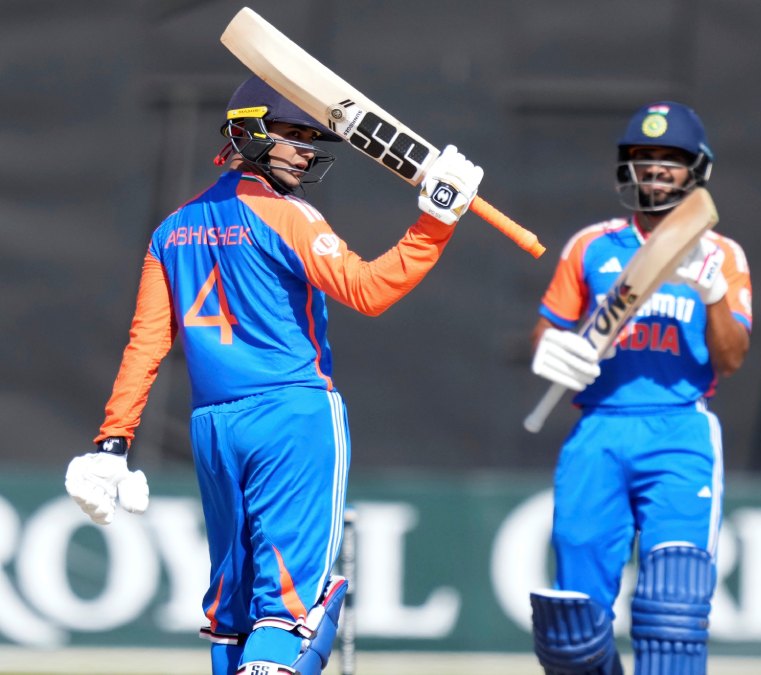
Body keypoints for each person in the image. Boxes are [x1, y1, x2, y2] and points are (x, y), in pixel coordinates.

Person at [63, 75, 483, 675]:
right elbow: (368, 291)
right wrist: (435, 222)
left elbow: (146, 344)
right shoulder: (288, 216)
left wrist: (113, 442)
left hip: (214, 430)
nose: (306, 152)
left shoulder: (171, 230)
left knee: (233, 613)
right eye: (293, 135)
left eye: (311, 139)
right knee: (292, 612)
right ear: (249, 131)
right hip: (292, 417)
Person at [526, 101, 751, 674]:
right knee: (573, 623)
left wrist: (714, 296)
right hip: (598, 429)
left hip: (680, 430)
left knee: (674, 606)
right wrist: (552, 350)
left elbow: (732, 357)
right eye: (643, 156)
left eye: (670, 158)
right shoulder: (592, 245)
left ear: (696, 169)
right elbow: (548, 330)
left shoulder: (722, 254)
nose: (655, 168)